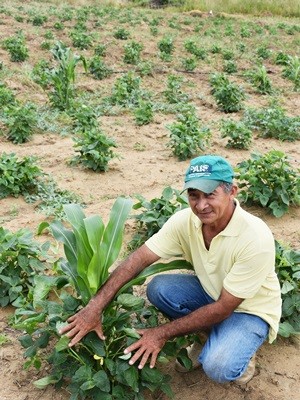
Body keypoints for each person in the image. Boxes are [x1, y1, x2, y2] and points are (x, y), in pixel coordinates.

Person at [60, 155, 282, 385]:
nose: (201, 205)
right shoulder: (185, 221)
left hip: (249, 309)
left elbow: (224, 307)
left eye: (210, 195)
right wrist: (94, 307)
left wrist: (160, 333)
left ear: (232, 191)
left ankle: (239, 349)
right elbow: (138, 259)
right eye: (193, 195)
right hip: (212, 293)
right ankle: (209, 337)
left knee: (219, 366)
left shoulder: (254, 237)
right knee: (160, 289)